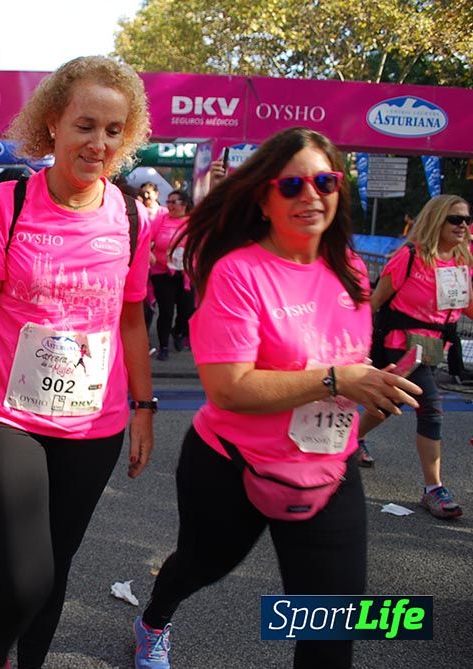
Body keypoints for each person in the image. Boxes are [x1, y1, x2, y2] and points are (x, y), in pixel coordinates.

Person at [132, 127, 421, 669]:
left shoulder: (353, 271)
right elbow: (230, 387)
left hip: (327, 472)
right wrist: (340, 379)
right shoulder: (238, 271)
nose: (311, 195)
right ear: (264, 199)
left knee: (333, 630)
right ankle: (155, 618)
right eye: (292, 185)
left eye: (324, 180)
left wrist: (375, 395)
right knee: (200, 566)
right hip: (231, 468)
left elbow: (343, 378)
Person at [0, 55, 155, 669]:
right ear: (53, 124)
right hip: (6, 415)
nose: (98, 142)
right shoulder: (8, 204)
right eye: (85, 125)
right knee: (24, 578)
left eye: (112, 130)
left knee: (55, 571)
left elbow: (131, 320)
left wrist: (145, 410)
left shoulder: (132, 216)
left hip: (93, 425)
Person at [355, 194, 472, 518]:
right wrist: (356, 344)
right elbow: (375, 301)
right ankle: (433, 487)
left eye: (466, 219)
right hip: (401, 345)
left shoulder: (463, 258)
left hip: (436, 347)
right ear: (436, 220)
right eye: (455, 219)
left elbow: (467, 305)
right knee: (430, 407)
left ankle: (352, 438)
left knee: (387, 403)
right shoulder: (409, 256)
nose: (463, 225)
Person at [149, 189, 194, 360]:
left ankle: (178, 331)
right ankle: (164, 346)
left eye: (173, 202)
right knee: (166, 311)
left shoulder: (193, 222)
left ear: (184, 204)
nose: (169, 206)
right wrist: (149, 253)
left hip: (186, 273)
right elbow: (147, 238)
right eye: (168, 202)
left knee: (187, 311)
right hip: (162, 271)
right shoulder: (161, 220)